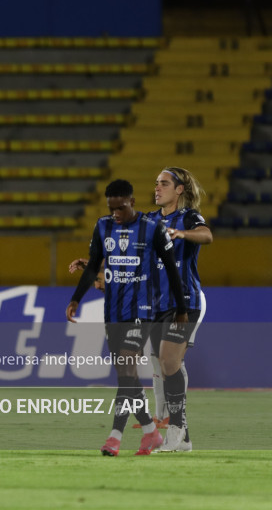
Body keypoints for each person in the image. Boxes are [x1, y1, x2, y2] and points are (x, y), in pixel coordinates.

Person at [66, 179, 188, 457]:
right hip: (112, 313)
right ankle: (150, 433)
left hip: (141, 312)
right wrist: (76, 298)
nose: (116, 214)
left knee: (126, 370)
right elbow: (93, 265)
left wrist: (181, 309)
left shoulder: (151, 229)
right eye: (112, 209)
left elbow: (171, 270)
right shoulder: (102, 226)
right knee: (125, 375)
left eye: (120, 208)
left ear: (132, 202)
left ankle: (114, 437)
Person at [147, 167, 213, 452]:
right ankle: (176, 432)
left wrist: (182, 234)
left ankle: (178, 430)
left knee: (170, 362)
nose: (157, 188)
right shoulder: (148, 220)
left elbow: (207, 235)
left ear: (179, 190)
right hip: (155, 303)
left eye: (164, 183)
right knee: (162, 364)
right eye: (157, 183)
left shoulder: (188, 216)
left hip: (184, 301)